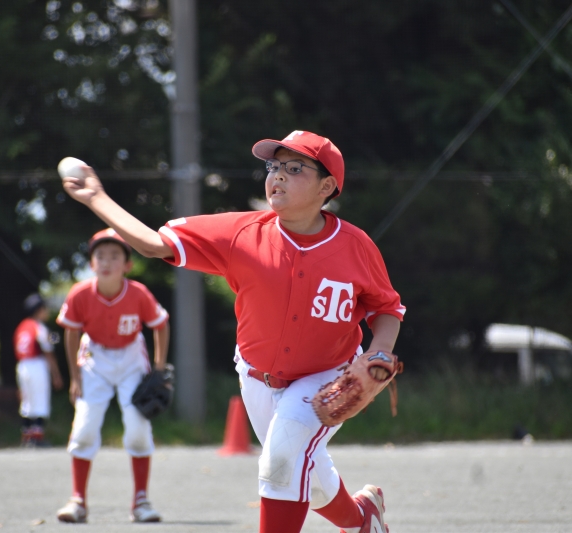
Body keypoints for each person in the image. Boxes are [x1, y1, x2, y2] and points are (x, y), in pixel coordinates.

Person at [61, 130, 405, 533]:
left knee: (281, 460)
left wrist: (380, 350)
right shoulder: (242, 233)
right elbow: (155, 244)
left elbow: (386, 307)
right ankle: (363, 520)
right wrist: (96, 198)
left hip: (325, 375)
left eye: (295, 168)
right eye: (274, 166)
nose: (278, 175)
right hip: (257, 378)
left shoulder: (355, 246)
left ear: (326, 187)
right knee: (305, 473)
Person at [55, 228, 171, 524]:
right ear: (91, 263)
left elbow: (160, 324)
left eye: (115, 255)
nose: (107, 261)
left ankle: (141, 501)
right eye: (101, 255)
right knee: (84, 427)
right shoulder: (80, 293)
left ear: (127, 264)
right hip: (95, 357)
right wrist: (75, 378)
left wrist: (159, 368)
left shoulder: (138, 293)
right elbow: (71, 332)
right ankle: (78, 500)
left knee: (137, 427)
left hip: (131, 357)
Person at [14, 293, 64, 447]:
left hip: (22, 365)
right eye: (45, 309)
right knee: (40, 400)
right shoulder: (39, 328)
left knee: (27, 402)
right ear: (39, 310)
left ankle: (27, 436)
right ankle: (37, 437)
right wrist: (56, 375)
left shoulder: (21, 327)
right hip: (36, 364)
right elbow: (48, 352)